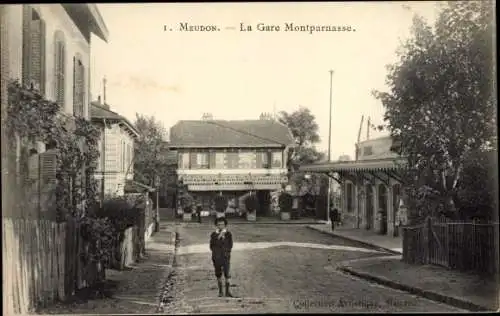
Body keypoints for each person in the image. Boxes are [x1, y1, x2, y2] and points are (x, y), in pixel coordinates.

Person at [210, 217, 234, 297]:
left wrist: (226, 252)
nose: (221, 226)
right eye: (219, 224)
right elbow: (211, 246)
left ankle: (227, 291)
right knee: (218, 274)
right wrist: (218, 237)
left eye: (222, 225)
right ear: (216, 225)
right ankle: (220, 291)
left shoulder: (228, 234)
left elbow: (230, 245)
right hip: (216, 257)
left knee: (227, 273)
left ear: (225, 225)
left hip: (225, 257)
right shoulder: (213, 234)